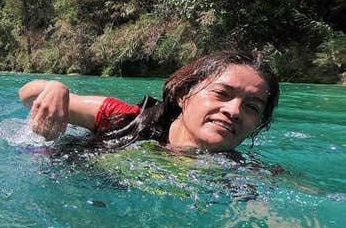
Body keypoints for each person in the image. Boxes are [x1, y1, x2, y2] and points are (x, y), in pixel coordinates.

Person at [19, 51, 280, 152]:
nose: (234, 111)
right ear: (183, 94)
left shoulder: (243, 176)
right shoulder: (125, 119)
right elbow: (28, 93)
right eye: (221, 93)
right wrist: (56, 88)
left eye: (252, 107)